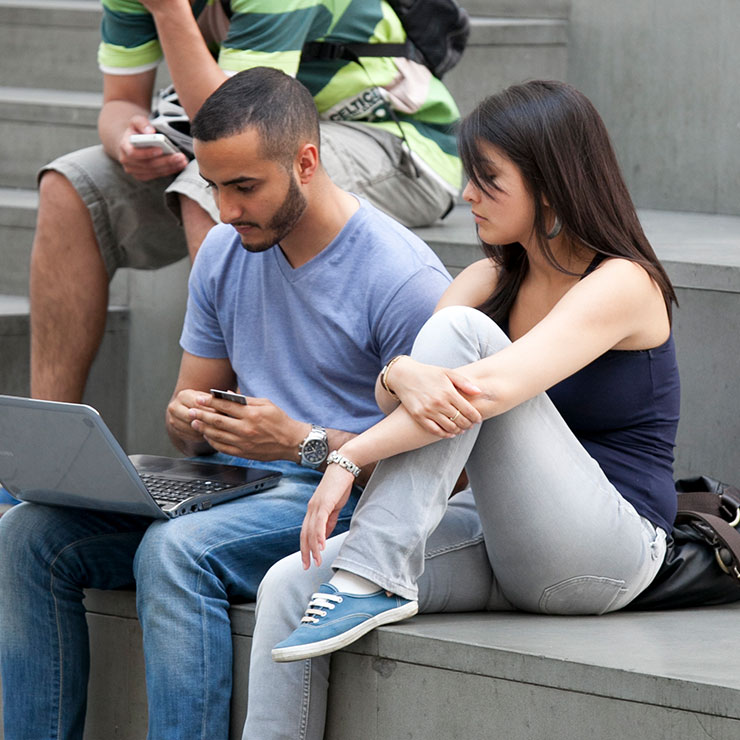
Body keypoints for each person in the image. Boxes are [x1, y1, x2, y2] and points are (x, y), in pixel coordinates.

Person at [0, 67, 452, 740]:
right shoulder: (223, 250)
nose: (227, 208)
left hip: (344, 494)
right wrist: (189, 422)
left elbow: (450, 470)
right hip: (235, 481)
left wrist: (299, 440)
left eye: (244, 187)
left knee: (173, 552)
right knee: (26, 536)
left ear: (306, 162)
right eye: (213, 186)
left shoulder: (401, 278)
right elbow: (191, 422)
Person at [243, 79, 681, 738]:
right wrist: (400, 370)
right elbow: (392, 395)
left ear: (552, 184)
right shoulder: (488, 280)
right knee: (288, 584)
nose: (466, 194)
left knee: (460, 342)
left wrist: (349, 455)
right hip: (506, 543)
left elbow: (490, 389)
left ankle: (373, 575)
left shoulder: (623, 282)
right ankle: (368, 580)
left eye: (488, 179)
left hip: (607, 552)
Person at [30, 0, 462, 404]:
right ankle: (49, 451)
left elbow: (240, 124)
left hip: (394, 140)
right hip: (250, 135)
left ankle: (244, 426)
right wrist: (126, 139)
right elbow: (121, 101)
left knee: (210, 190)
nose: (227, 212)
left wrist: (168, 11)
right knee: (69, 189)